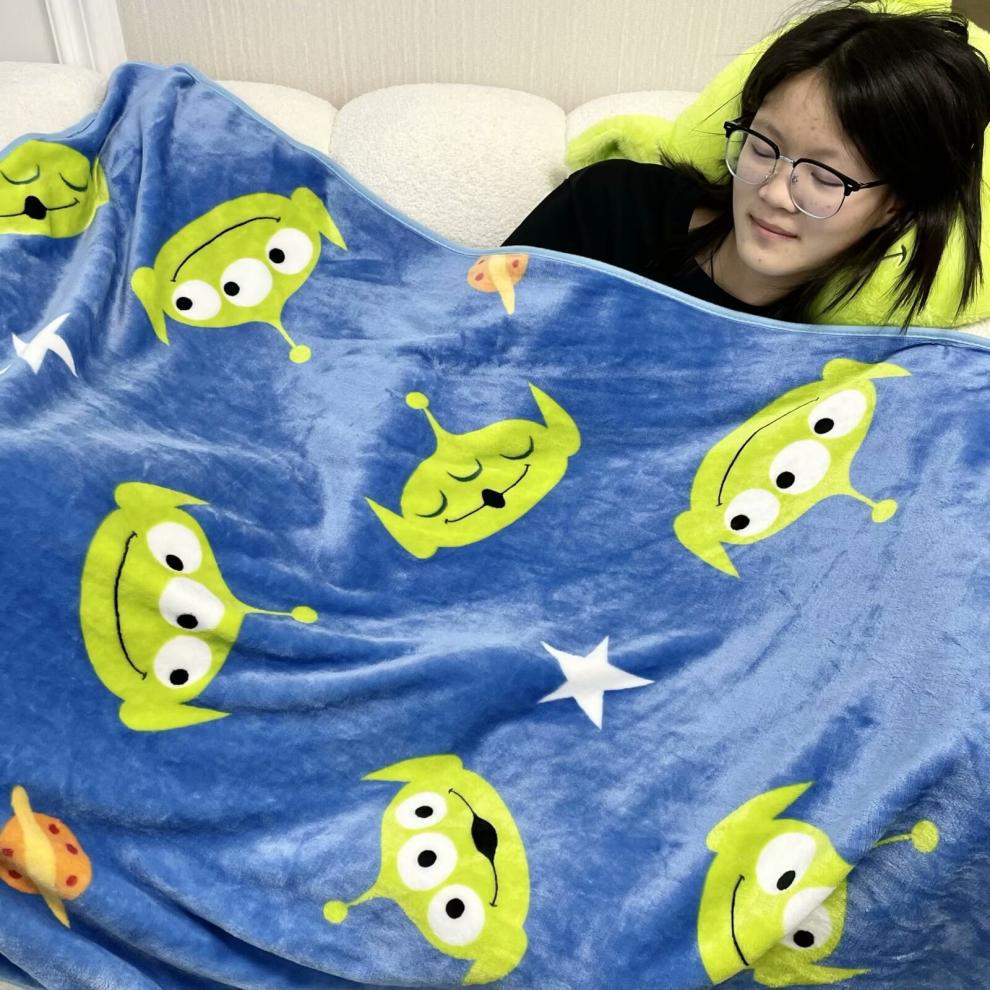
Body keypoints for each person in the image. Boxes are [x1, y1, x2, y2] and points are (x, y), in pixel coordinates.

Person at [502, 0, 990, 329]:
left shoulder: (841, 360)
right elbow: (473, 325)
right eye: (762, 145)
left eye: (825, 177)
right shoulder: (611, 206)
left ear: (893, 204)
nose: (774, 193)